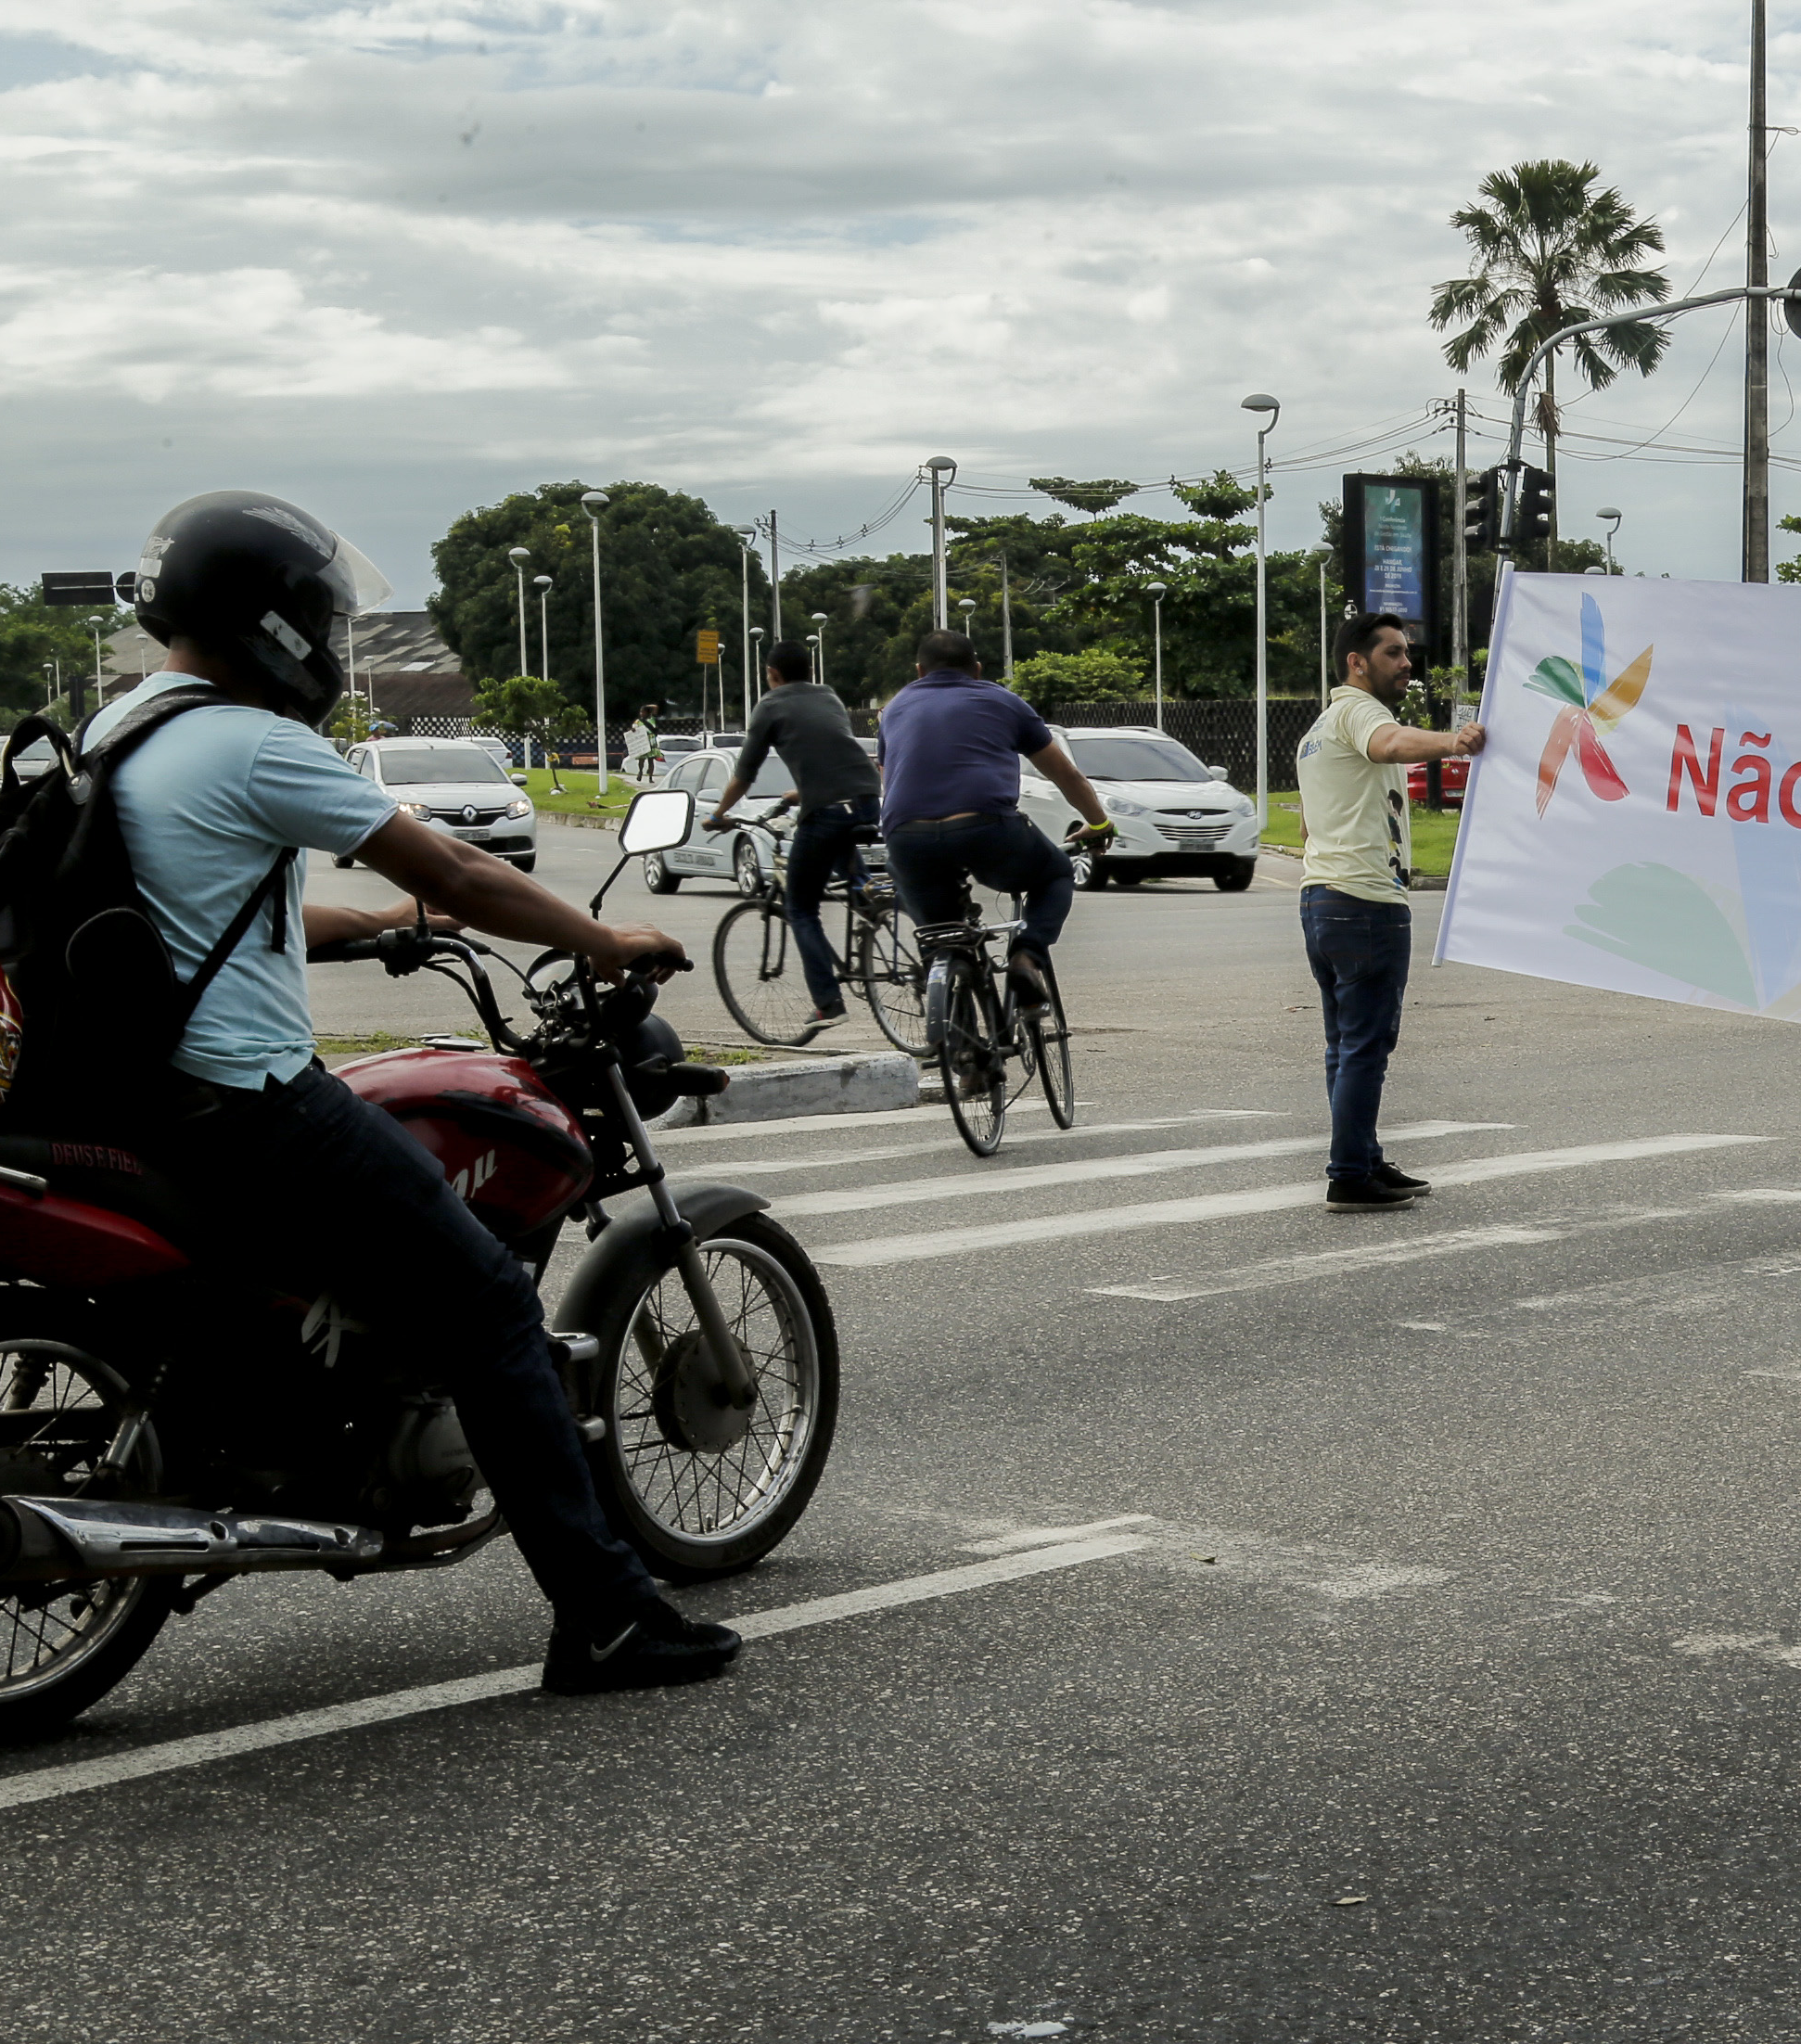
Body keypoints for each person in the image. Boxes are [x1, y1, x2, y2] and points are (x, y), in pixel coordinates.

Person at [99, 490, 738, 1693]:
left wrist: (387, 921)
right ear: (277, 622)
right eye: (319, 615)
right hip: (247, 1100)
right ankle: (609, 1620)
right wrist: (603, 940)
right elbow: (460, 867)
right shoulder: (253, 740)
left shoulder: (124, 728)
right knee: (490, 1302)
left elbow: (213, 914)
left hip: (143, 1090)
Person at [1296, 613, 1482, 1211]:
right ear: (1357, 662)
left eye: (1406, 652)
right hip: (1363, 902)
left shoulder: (1318, 730)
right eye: (1393, 653)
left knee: (1345, 1044)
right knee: (1366, 1045)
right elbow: (1391, 743)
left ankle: (1363, 1156)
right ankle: (1350, 1173)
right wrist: (1455, 742)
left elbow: (1307, 826)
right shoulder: (1359, 712)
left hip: (1323, 897)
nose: (1407, 663)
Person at [873, 631, 1109, 1003]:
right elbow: (1065, 774)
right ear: (978, 670)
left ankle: (948, 1009)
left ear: (919, 671)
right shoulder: (1003, 701)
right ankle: (1026, 957)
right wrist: (1099, 824)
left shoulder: (894, 709)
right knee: (1055, 874)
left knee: (941, 934)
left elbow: (889, 780)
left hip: (907, 835)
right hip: (985, 828)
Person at [709, 638, 883, 1028]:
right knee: (842, 852)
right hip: (867, 798)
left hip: (826, 811)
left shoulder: (770, 706)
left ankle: (828, 1003)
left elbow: (744, 774)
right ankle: (869, 897)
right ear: (811, 671)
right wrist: (799, 793)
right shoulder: (829, 695)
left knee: (800, 908)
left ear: (772, 674)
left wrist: (719, 814)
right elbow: (832, 756)